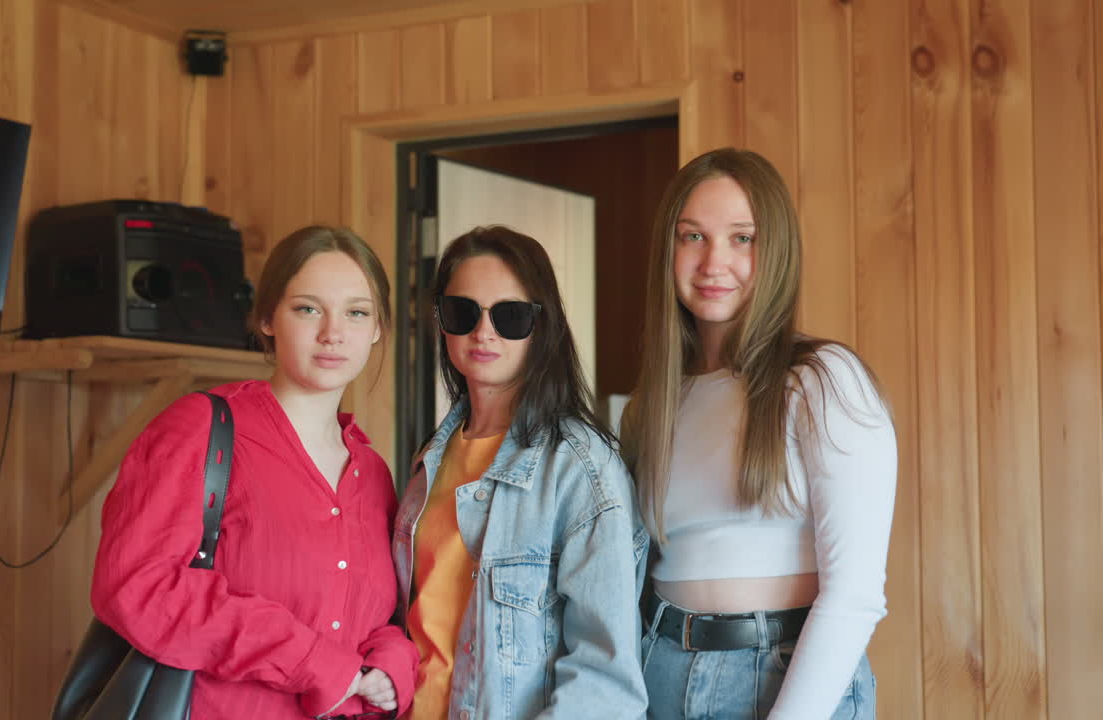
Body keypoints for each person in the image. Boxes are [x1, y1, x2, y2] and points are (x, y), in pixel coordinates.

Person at [91, 226, 418, 719]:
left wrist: (393, 665)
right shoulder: (204, 428)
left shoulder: (372, 471)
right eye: (308, 308)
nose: (333, 333)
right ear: (268, 318)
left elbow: (374, 616)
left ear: (376, 329)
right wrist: (310, 662)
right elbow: (137, 586)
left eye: (357, 312)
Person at [621, 147, 897, 719]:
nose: (713, 262)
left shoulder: (823, 381)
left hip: (780, 677)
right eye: (692, 236)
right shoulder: (651, 406)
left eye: (741, 238)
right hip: (658, 672)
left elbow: (854, 595)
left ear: (775, 251)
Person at [393, 225, 650, 720]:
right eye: (462, 312)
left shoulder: (582, 468)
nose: (483, 332)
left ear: (543, 325)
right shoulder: (429, 459)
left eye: (510, 316)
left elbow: (605, 679)